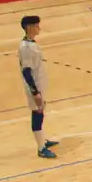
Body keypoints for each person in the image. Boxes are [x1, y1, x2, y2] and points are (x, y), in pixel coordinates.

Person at [18, 15, 60, 159]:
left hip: (40, 84)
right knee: (37, 114)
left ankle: (43, 140)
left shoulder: (31, 43)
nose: (39, 28)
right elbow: (26, 71)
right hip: (34, 87)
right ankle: (41, 148)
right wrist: (35, 92)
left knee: (41, 112)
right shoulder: (26, 48)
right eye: (36, 26)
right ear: (29, 27)